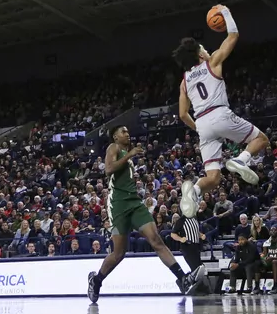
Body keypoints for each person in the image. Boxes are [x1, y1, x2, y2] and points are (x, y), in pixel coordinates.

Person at [87, 126, 205, 303]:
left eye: (128, 131)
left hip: (134, 202)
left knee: (156, 240)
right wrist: (129, 155)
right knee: (119, 253)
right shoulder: (114, 147)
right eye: (123, 131)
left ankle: (182, 279)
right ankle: (96, 281)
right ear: (115, 136)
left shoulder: (126, 152)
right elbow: (108, 169)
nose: (127, 133)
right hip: (118, 204)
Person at [173, 4, 269, 218]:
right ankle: (242, 160)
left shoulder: (184, 82)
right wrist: (225, 12)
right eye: (204, 48)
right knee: (261, 139)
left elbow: (182, 114)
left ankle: (195, 190)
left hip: (202, 124)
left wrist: (198, 128)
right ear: (199, 53)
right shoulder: (212, 62)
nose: (207, 50)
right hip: (219, 113)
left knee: (213, 178)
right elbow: (233, 36)